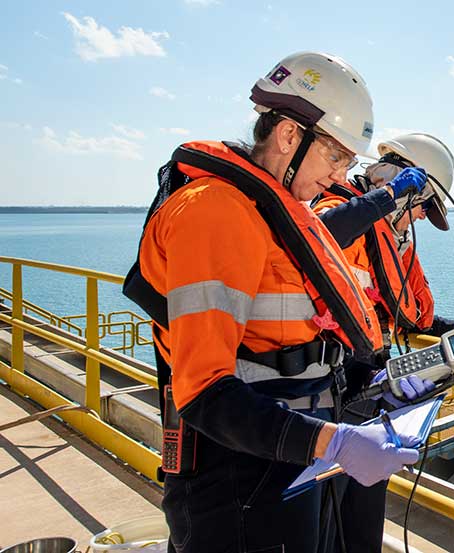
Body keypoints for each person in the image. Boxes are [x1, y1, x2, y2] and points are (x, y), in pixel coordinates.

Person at [123, 51, 427, 553]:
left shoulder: (275, 214)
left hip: (286, 461)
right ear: (289, 135)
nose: (338, 178)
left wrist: (369, 387)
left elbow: (284, 343)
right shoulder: (217, 213)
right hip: (237, 479)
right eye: (336, 157)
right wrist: (335, 442)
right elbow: (205, 392)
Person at [311, 132, 454, 551]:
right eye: (419, 208)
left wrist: (453, 328)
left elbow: (410, 311)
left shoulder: (391, 242)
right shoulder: (340, 214)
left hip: (368, 389)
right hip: (329, 390)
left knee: (361, 515)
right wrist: (384, 203)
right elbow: (318, 240)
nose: (418, 220)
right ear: (401, 190)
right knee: (326, 518)